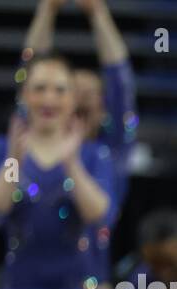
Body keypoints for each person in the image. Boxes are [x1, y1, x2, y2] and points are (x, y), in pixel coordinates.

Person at [0, 52, 119, 289]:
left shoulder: (93, 154)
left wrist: (72, 164)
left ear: (74, 98)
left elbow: (102, 218)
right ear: (24, 95)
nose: (49, 99)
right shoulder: (2, 149)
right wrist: (14, 160)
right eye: (39, 88)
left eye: (60, 90)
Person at [22, 0, 137, 183]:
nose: (82, 101)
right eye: (74, 93)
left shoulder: (111, 148)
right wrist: (47, 9)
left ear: (104, 107)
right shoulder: (30, 138)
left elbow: (121, 87)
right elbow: (31, 73)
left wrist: (98, 12)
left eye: (90, 94)